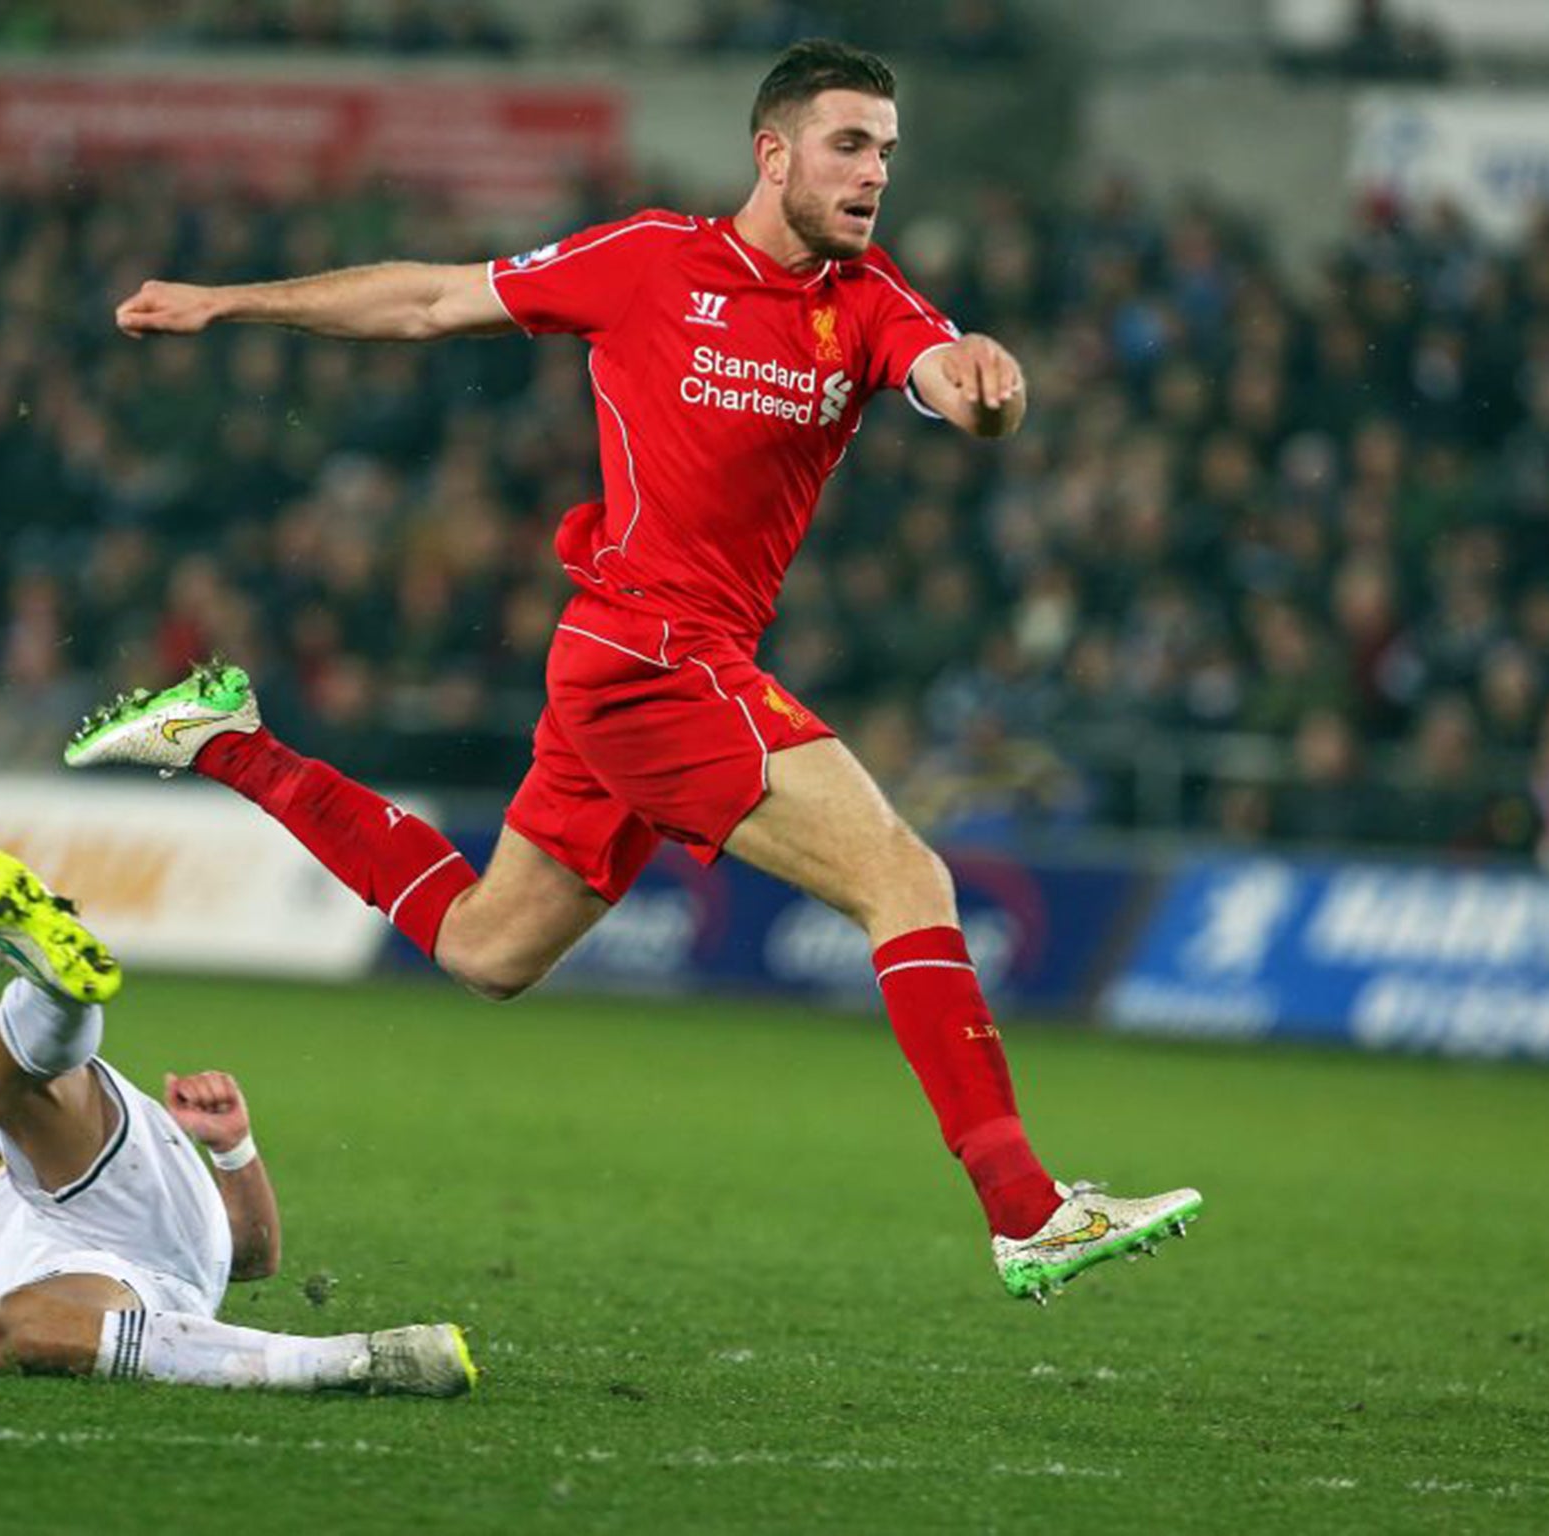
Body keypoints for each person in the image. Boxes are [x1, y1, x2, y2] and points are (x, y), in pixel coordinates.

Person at [91, 38, 1199, 1302]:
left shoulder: (870, 299)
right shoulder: (649, 260)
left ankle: (225, 739)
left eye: (886, 150)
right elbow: (431, 299)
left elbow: (948, 381)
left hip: (654, 666)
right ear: (770, 152)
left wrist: (988, 388)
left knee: (483, 950)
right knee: (904, 877)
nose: (873, 171)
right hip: (648, 652)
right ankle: (1024, 1207)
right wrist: (229, 302)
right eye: (848, 144)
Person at [0, 843, 475, 1396]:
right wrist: (231, 1150)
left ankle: (56, 989)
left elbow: (246, 1253)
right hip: (94, 1292)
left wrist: (233, 1155)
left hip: (101, 1189)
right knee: (16, 1331)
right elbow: (242, 1265)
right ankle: (354, 1360)